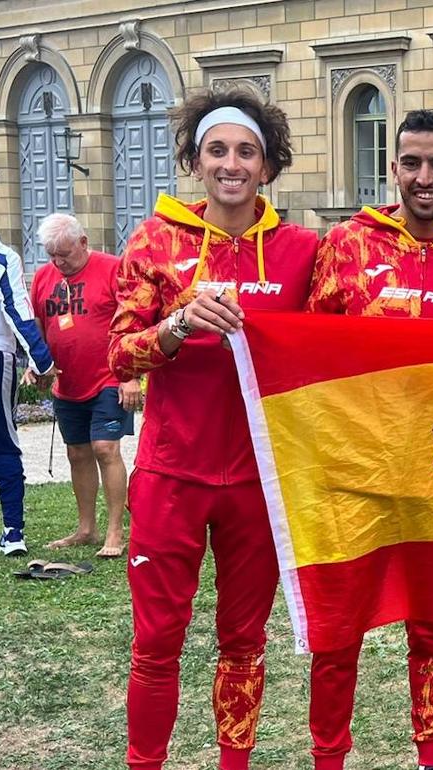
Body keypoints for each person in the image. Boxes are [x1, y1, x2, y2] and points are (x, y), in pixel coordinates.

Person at [108, 88, 319, 770]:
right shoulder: (154, 241)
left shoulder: (299, 251)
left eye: (246, 152)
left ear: (268, 167)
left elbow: (345, 332)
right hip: (172, 474)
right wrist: (176, 325)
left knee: (244, 642)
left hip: (257, 482)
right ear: (196, 162)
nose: (232, 164)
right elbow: (118, 352)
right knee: (156, 643)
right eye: (217, 150)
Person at [305, 109, 433, 770]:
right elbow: (305, 358)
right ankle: (329, 757)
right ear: (393, 169)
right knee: (339, 630)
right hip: (354, 474)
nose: (425, 177)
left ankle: (432, 758)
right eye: (412, 163)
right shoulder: (348, 247)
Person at [30, 213, 139, 558]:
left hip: (109, 376)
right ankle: (86, 528)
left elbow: (132, 322)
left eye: (65, 254)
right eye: (52, 255)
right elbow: (36, 323)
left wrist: (131, 374)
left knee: (105, 448)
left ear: (83, 243)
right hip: (67, 382)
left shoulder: (113, 269)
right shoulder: (44, 277)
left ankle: (114, 532)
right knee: (77, 453)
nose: (58, 262)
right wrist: (36, 364)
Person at [0, 233, 55, 557]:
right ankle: (13, 531)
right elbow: (17, 310)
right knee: (4, 442)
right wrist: (43, 362)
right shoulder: (2, 258)